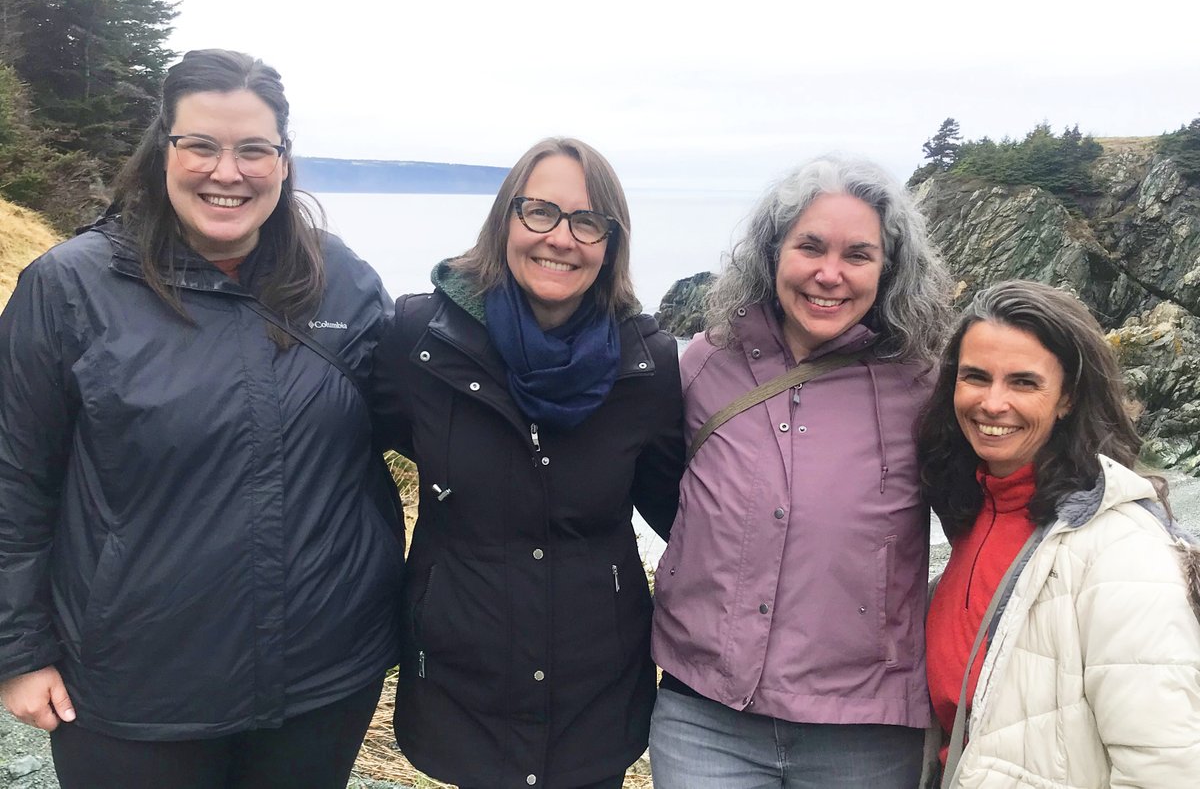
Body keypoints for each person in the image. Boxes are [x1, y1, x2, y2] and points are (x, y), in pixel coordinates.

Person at [0, 49, 403, 789]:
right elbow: (13, 481)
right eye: (202, 147)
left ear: (283, 160)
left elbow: (422, 422)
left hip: (322, 681)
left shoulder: (339, 279)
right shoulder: (69, 289)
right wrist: (18, 653)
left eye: (254, 149)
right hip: (134, 691)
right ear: (164, 151)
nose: (229, 172)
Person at [370, 136, 684, 789]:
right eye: (539, 211)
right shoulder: (421, 341)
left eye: (587, 221)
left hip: (596, 695)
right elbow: (355, 456)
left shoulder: (646, 365)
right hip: (463, 686)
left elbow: (685, 515)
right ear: (505, 220)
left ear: (611, 243)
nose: (560, 238)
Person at [649, 155, 952, 788]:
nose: (829, 274)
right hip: (706, 714)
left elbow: (987, 520)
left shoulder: (925, 386)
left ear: (889, 269)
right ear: (772, 251)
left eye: (858, 255)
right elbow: (662, 485)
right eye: (809, 246)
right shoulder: (707, 362)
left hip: (864, 732)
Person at [918, 279, 1200, 787]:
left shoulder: (1123, 551)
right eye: (975, 377)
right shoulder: (975, 515)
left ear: (1068, 397)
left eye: (1024, 382)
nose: (992, 403)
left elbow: (1165, 764)